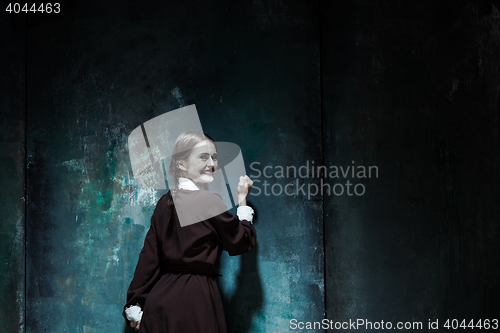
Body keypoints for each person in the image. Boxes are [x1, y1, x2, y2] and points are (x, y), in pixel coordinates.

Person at [123, 131, 256, 333]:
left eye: (214, 157)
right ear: (181, 164)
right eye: (203, 157)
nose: (212, 163)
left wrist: (134, 304)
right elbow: (240, 241)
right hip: (195, 301)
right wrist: (243, 201)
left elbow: (149, 257)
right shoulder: (208, 200)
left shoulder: (163, 203)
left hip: (159, 302)